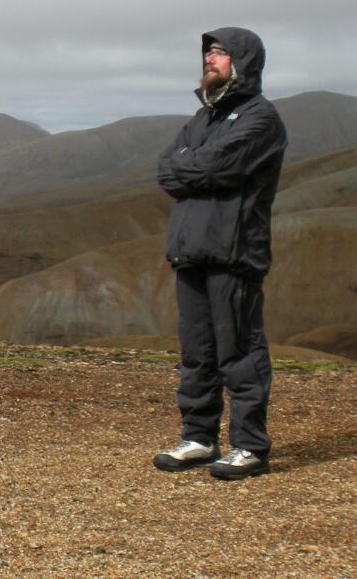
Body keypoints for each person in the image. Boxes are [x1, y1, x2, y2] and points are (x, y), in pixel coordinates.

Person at [153, 27, 287, 480]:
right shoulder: (201, 119)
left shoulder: (261, 117)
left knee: (240, 351)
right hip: (191, 251)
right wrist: (198, 164)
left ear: (244, 60)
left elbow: (221, 164)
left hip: (233, 251)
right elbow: (166, 171)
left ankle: (249, 445)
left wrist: (196, 163)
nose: (210, 58)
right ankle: (199, 437)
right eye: (208, 52)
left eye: (221, 52)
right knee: (198, 353)